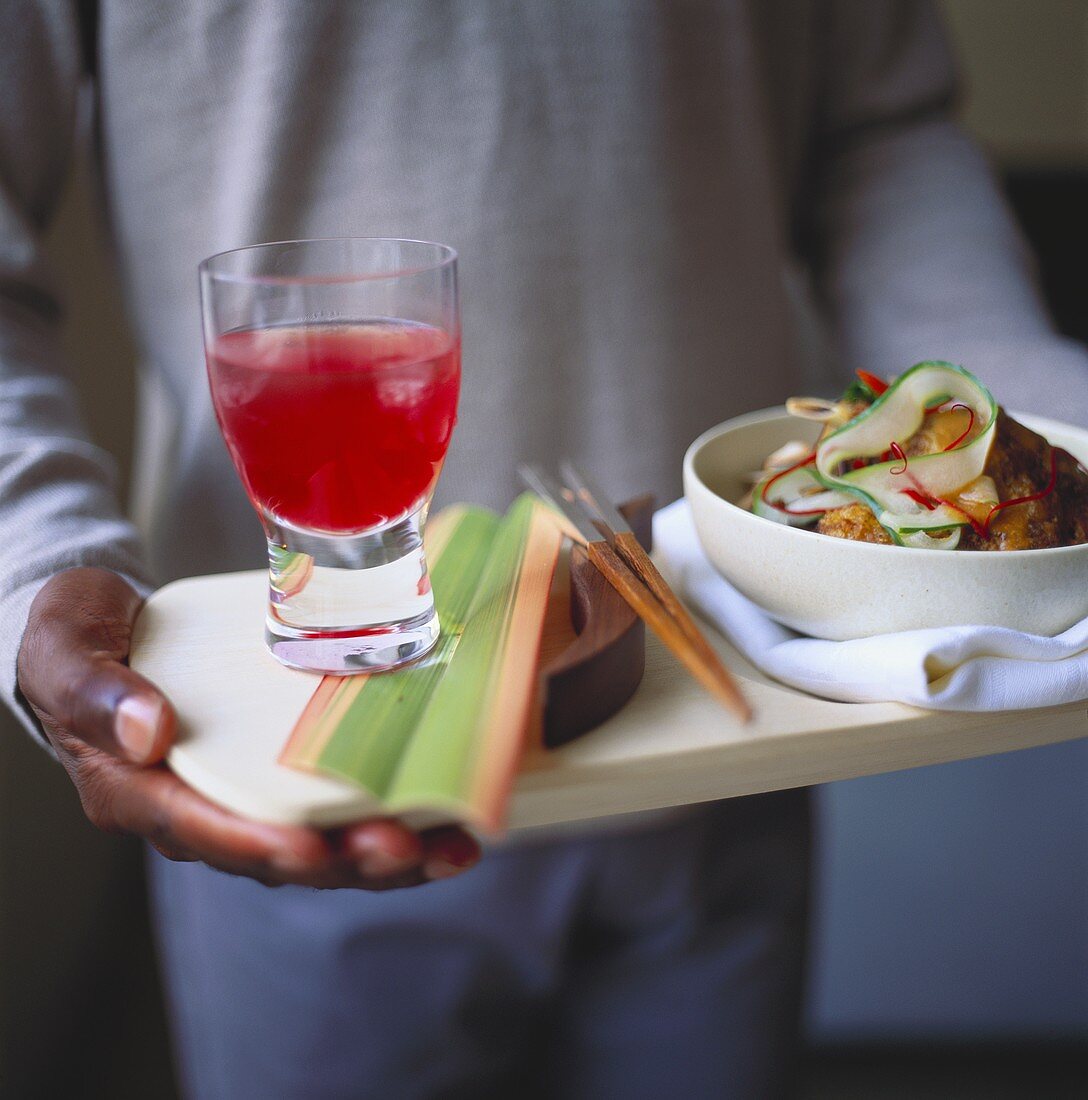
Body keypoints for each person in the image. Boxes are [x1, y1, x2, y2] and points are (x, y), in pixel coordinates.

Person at [3, 2, 1085, 1098]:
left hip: (726, 723)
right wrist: (38, 559)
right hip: (306, 757)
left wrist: (1039, 438)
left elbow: (880, 135)